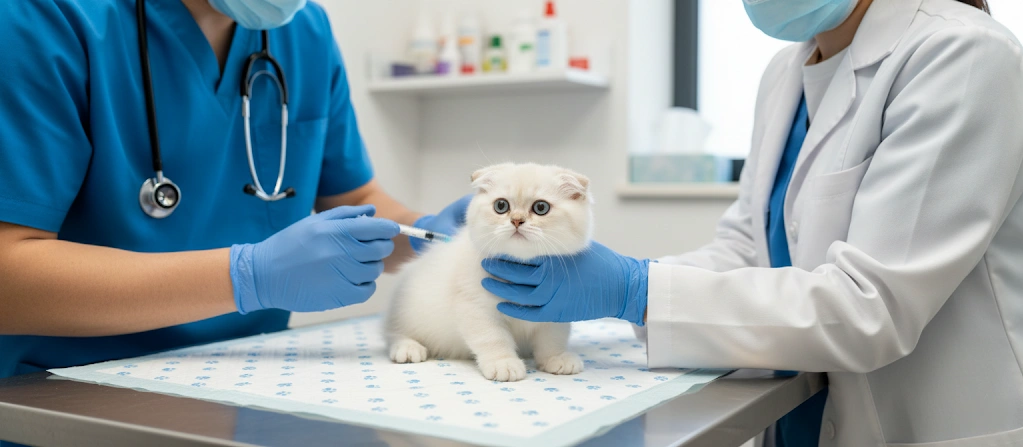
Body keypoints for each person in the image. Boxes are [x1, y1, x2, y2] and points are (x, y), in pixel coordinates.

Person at [484, 0, 1023, 445]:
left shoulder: (963, 53)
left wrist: (637, 289)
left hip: (924, 423)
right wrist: (637, 278)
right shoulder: (785, 72)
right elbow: (746, 247)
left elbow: (871, 306)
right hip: (796, 418)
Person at [0, 0, 469, 380]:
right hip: (68, 392)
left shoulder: (304, 30)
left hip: (251, 384)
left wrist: (441, 240)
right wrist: (247, 276)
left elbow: (355, 202)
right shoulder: (45, 16)